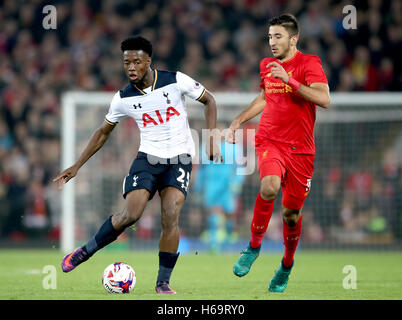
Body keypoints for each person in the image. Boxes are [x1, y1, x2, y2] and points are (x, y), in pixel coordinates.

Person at [53, 36, 222, 294]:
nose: (131, 67)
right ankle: (85, 252)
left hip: (180, 158)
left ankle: (162, 282)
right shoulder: (123, 98)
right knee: (131, 214)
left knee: (171, 215)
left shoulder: (175, 80)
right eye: (126, 62)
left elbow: (209, 99)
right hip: (148, 159)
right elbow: (102, 132)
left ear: (148, 61)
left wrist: (211, 139)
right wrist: (77, 165)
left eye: (136, 61)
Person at [226, 14, 330, 293]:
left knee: (290, 215)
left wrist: (291, 81)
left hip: (301, 151)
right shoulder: (266, 66)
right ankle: (253, 247)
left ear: (294, 39)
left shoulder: (310, 63)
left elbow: (324, 99)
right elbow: (264, 98)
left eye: (278, 37)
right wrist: (238, 121)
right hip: (270, 140)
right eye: (270, 37)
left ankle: (286, 265)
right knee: (269, 186)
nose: (271, 42)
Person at [194, 131, 245, 252]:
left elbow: (240, 167)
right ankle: (214, 244)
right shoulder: (206, 147)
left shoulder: (234, 148)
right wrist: (198, 186)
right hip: (211, 185)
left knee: (229, 215)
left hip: (228, 185)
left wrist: (237, 183)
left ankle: (227, 241)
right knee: (213, 214)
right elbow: (202, 168)